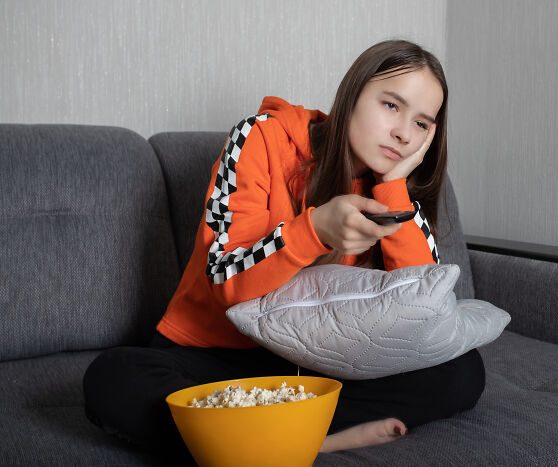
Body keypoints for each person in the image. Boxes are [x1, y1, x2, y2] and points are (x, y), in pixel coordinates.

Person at [83, 39, 485, 460]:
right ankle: (313, 438)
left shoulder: (397, 192)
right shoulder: (259, 137)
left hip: (312, 365)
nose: (404, 132)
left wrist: (394, 190)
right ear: (353, 94)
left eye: (422, 123)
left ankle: (249, 441)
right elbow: (227, 279)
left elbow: (425, 315)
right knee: (113, 377)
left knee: (461, 371)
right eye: (391, 106)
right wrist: (313, 230)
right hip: (213, 356)